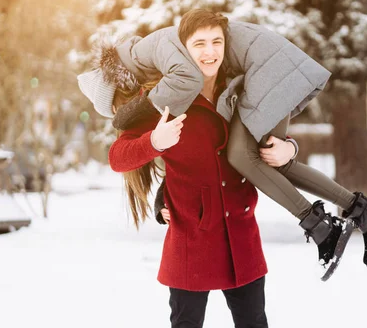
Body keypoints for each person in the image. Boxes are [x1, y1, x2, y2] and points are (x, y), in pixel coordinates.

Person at [87, 9, 367, 273]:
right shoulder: (161, 62)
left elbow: (187, 88)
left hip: (269, 68)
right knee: (269, 158)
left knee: (242, 156)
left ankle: (321, 226)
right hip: (270, 67)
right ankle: (364, 211)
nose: (133, 100)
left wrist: (131, 114)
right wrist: (162, 198)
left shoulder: (157, 50)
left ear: (120, 83)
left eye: (122, 103)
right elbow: (192, 155)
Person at [78, 59, 270, 328]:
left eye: (216, 42)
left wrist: (290, 149)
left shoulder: (237, 87)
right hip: (192, 240)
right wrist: (155, 142)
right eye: (200, 44)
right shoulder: (162, 102)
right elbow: (118, 158)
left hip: (240, 235)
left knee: (254, 322)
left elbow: (269, 132)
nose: (209, 52)